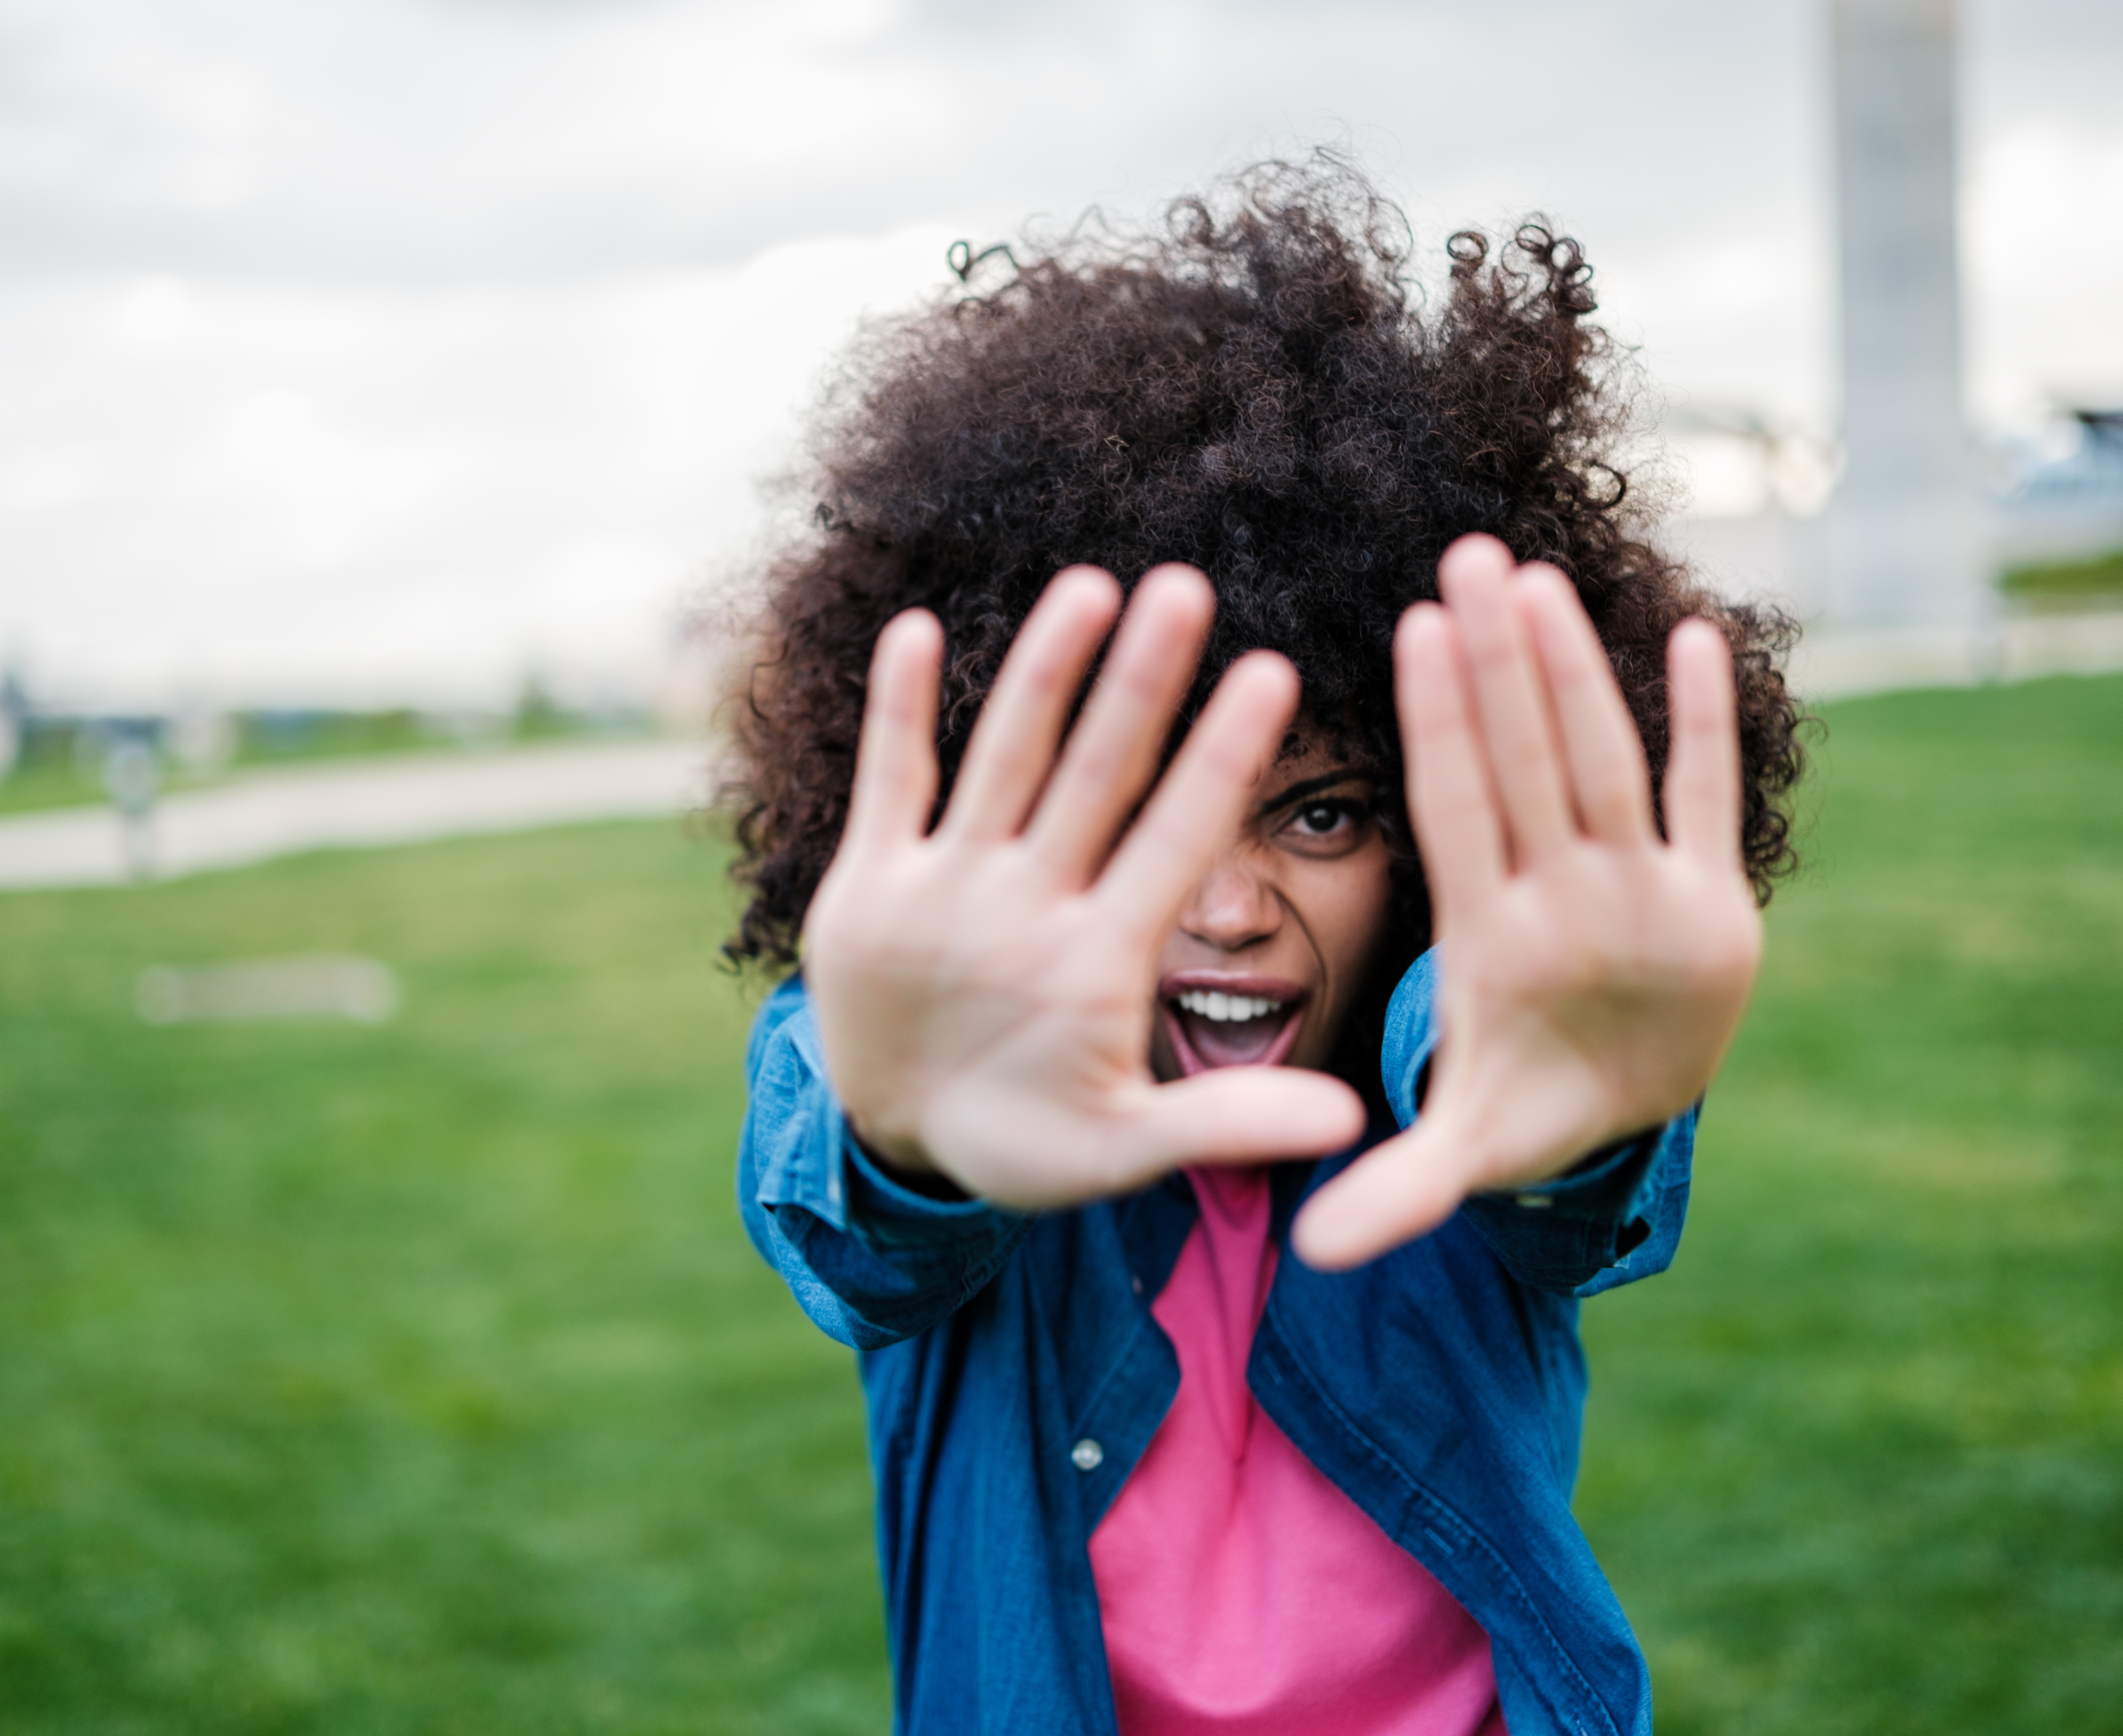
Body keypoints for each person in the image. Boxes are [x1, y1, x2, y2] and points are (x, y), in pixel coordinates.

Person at [724, 159, 1805, 1735]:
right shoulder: (926, 1068)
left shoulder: (1463, 1096)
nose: (1228, 911)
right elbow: (851, 1194)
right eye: (1148, 814)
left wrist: (1586, 1133)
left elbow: (1521, 1102)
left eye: (1320, 817)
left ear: (1434, 847)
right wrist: (908, 1145)